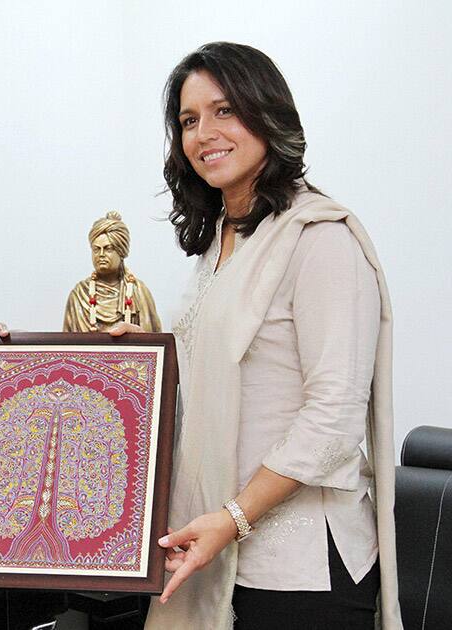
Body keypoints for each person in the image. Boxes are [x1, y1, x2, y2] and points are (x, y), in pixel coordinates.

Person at [110, 43, 403, 629]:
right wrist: (117, 359)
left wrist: (233, 518)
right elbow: (216, 372)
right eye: (188, 121)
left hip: (300, 571)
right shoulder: (223, 238)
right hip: (211, 551)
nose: (203, 134)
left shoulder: (320, 239)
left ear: (267, 113)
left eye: (223, 111)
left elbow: (333, 419)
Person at [63, 211, 162, 332]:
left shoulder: (138, 292)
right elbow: (67, 346)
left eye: (108, 249)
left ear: (121, 252)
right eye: (96, 249)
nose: (101, 255)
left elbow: (154, 344)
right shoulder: (79, 294)